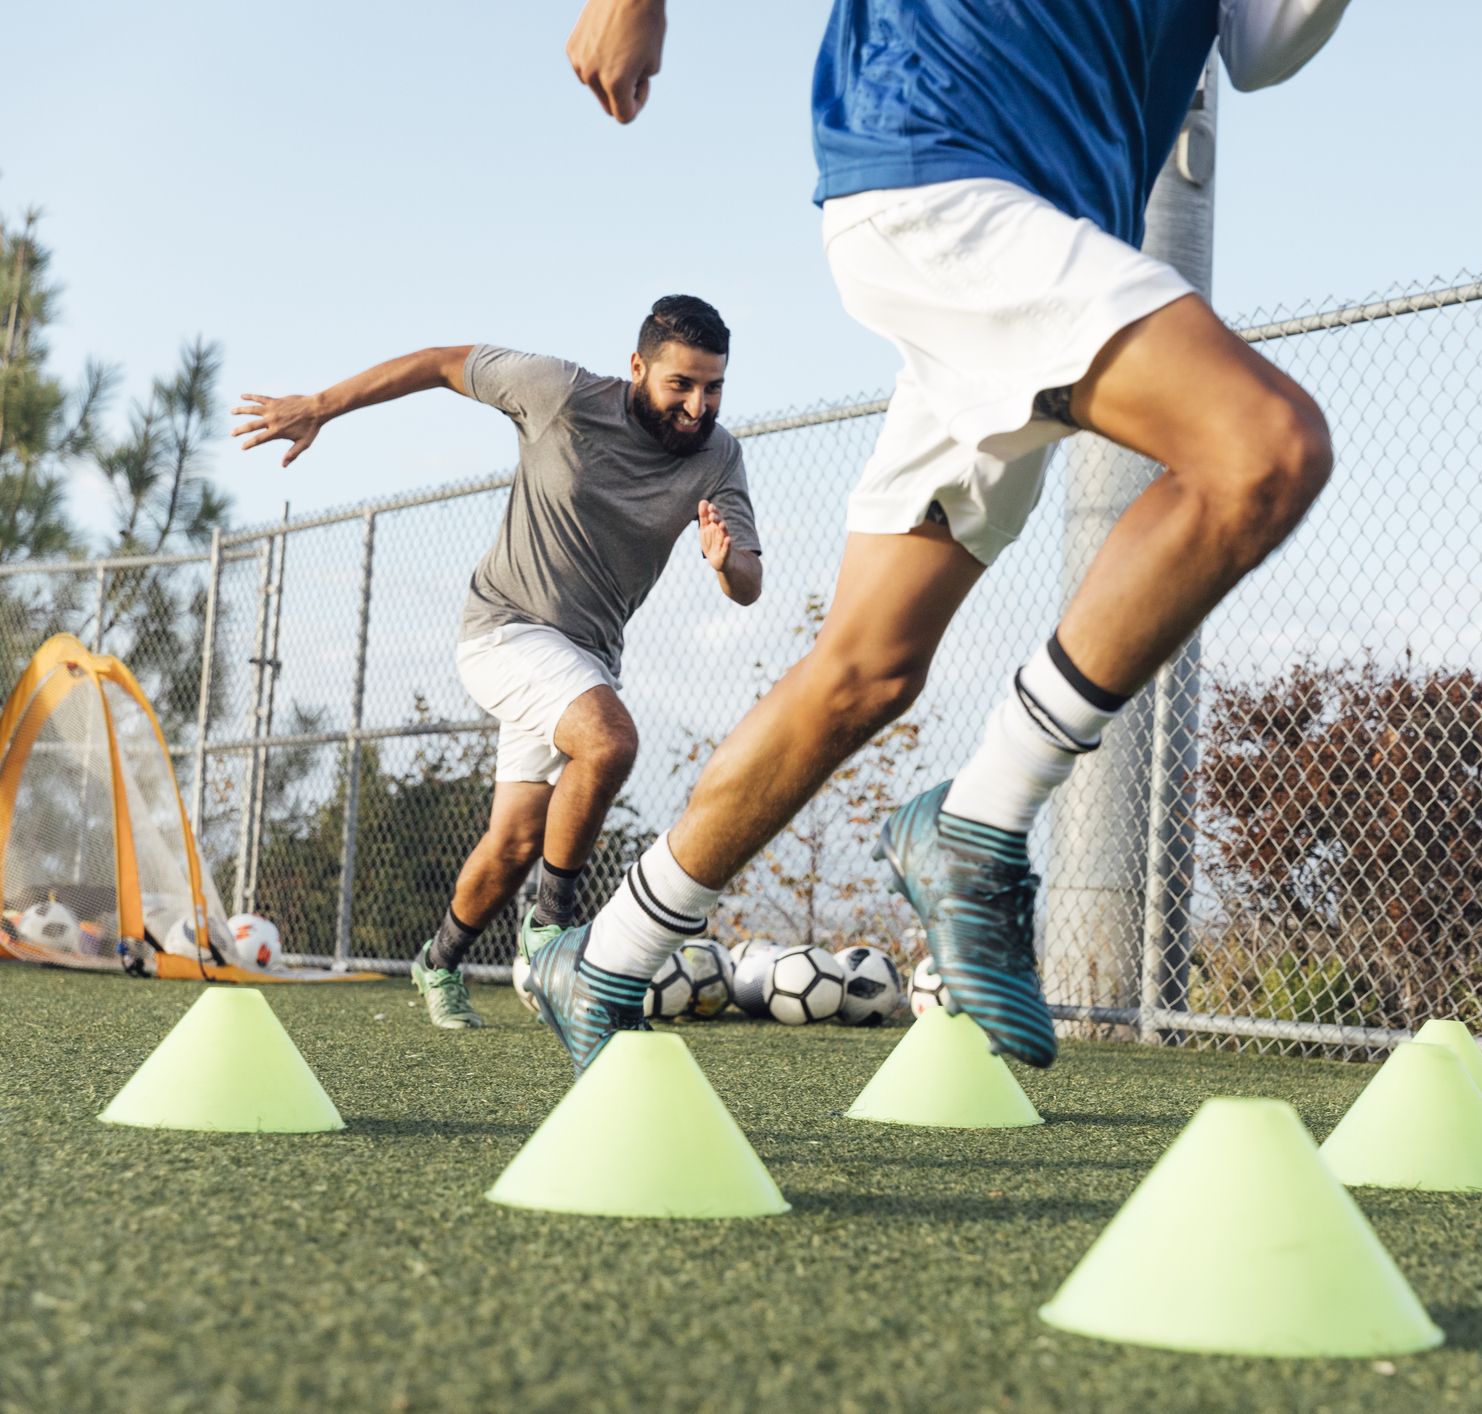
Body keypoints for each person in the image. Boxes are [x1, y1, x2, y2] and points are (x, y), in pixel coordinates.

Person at [532, 0, 1351, 1073]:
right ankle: (981, 819)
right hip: (934, 157)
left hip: (1048, 237)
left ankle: (606, 955)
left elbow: (1260, 47)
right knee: (1264, 448)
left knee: (865, 671)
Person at [231, 297, 764, 1029]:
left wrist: (727, 562)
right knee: (609, 741)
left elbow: (749, 586)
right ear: (638, 367)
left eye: (713, 389)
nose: (698, 406)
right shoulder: (562, 393)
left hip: (585, 658)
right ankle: (552, 935)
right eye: (681, 386)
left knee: (515, 839)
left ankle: (438, 961)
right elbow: (443, 364)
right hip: (504, 629)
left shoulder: (718, 454)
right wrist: (321, 405)